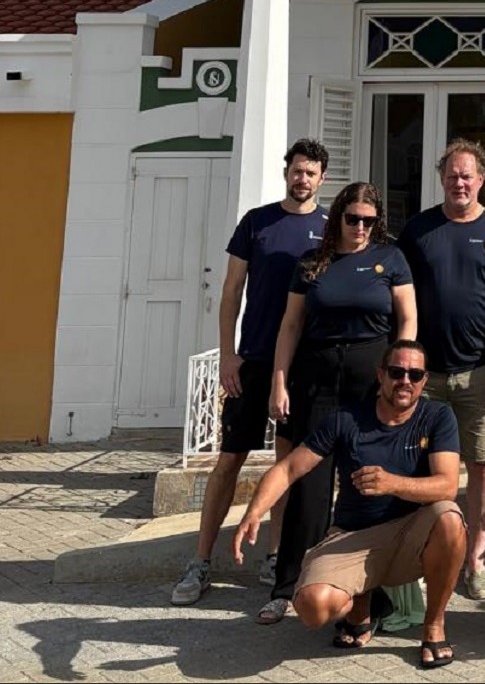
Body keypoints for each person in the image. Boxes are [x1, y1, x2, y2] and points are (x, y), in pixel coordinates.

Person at [232, 340, 464, 669]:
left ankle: (434, 626)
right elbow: (288, 468)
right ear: (380, 375)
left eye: (415, 374)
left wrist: (392, 483)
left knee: (450, 518)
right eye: (397, 372)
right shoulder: (346, 419)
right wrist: (253, 513)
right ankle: (364, 605)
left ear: (425, 380)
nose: (405, 381)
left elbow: (448, 485)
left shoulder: (437, 416)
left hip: (410, 535)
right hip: (354, 535)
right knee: (313, 608)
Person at [171, 139, 328, 606]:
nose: (302, 179)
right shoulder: (257, 222)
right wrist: (227, 354)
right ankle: (200, 561)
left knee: (285, 464)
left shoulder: (329, 229)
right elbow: (231, 291)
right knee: (228, 460)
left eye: (311, 173)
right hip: (254, 359)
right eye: (297, 170)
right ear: (287, 173)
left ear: (322, 178)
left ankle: (275, 557)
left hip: (301, 366)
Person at [264, 182, 417, 625]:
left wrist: (404, 378)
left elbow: (407, 321)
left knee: (367, 484)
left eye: (370, 220)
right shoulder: (313, 263)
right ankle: (288, 585)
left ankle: (369, 592)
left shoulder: (391, 259)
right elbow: (290, 326)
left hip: (372, 384)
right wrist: (279, 381)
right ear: (338, 218)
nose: (361, 228)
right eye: (353, 219)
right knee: (309, 486)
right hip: (317, 380)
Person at [398, 139, 485, 602]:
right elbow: (400, 297)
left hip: (478, 373)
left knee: (481, 463)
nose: (459, 183)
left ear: (481, 180)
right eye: (452, 175)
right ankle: (418, 559)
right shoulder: (418, 229)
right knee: (416, 463)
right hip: (423, 376)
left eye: (467, 175)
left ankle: (475, 561)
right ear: (442, 179)